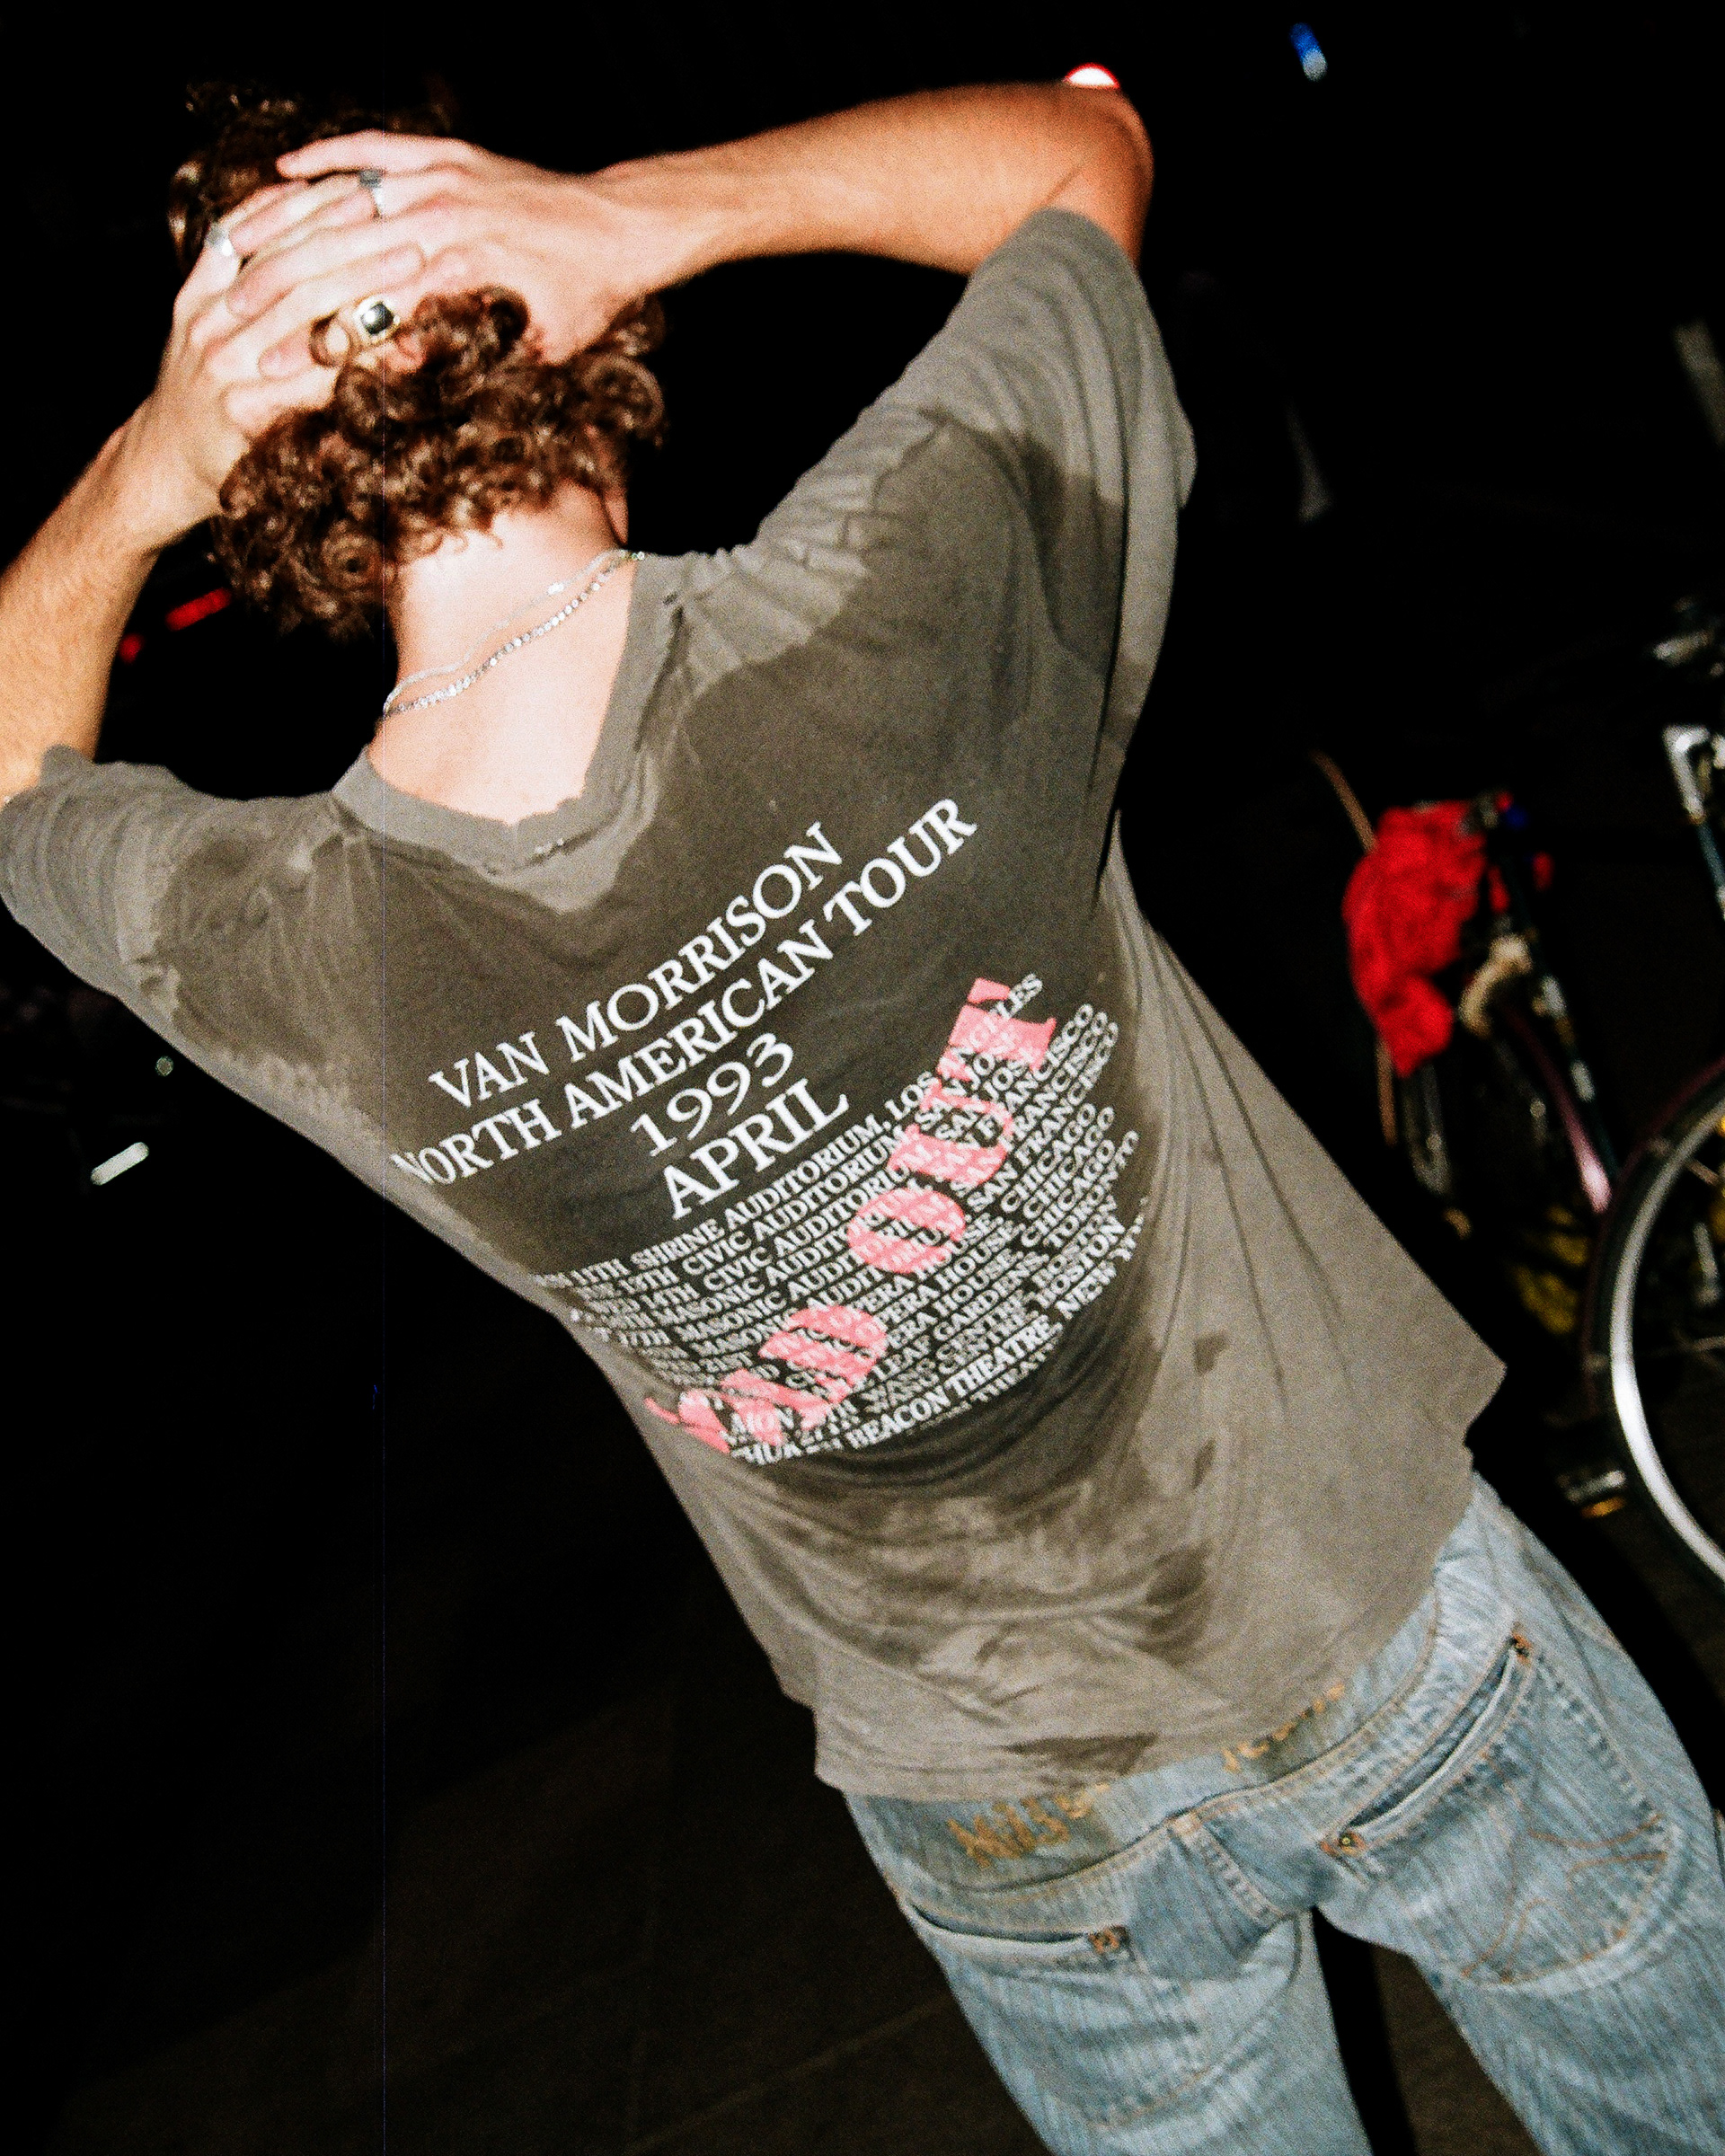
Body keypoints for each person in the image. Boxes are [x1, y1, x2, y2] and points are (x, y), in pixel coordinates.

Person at [2, 76, 1720, 2156]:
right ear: (567, 326)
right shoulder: (902, 589)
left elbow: (12, 770)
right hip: (1349, 1589)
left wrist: (150, 466)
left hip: (993, 1794)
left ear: (280, 484)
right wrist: (641, 208)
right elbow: (1084, 147)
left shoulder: (285, 941)